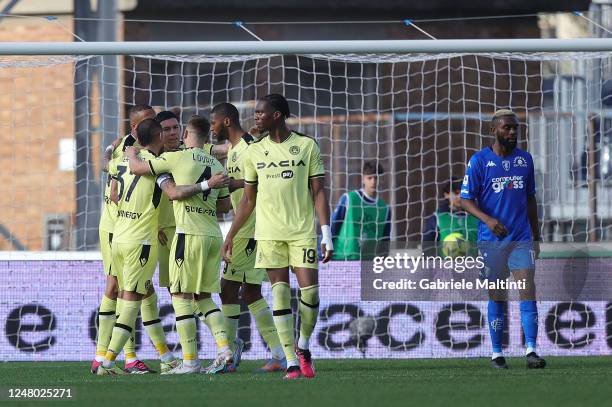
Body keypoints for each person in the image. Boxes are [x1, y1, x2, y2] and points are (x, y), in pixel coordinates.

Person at [222, 93, 333, 380]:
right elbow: (248, 200)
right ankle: (291, 362)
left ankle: (303, 346)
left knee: (311, 294)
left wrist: (326, 233)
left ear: (278, 115)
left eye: (261, 112)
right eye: (256, 112)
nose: (256, 116)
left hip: (301, 233)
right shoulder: (255, 152)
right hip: (269, 234)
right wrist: (231, 235)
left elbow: (318, 191)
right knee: (280, 293)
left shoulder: (306, 146)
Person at [126, 115, 233, 375]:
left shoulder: (176, 158)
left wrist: (130, 150)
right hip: (212, 235)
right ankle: (224, 348)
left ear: (185, 133)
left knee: (181, 298)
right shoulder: (216, 164)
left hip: (188, 234)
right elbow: (225, 205)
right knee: (204, 298)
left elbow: (137, 168)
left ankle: (190, 362)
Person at [93, 105, 178, 374]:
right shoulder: (148, 161)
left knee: (143, 292)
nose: (163, 129)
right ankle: (110, 358)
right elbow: (171, 191)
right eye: (153, 123)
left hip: (126, 231)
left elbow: (108, 170)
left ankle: (162, 356)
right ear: (137, 129)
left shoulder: (124, 156)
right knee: (119, 290)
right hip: (124, 231)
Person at [460, 109, 546, 370]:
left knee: (527, 289)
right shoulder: (479, 162)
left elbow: (530, 199)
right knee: (497, 296)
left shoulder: (525, 161)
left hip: (521, 238)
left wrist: (536, 235)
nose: (512, 132)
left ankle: (531, 350)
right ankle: (497, 353)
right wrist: (487, 219)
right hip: (491, 242)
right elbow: (465, 200)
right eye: (507, 128)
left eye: (515, 128)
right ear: (493, 130)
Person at [210, 102, 285, 373]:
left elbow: (264, 179)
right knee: (249, 291)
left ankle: (229, 352)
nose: (212, 127)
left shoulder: (249, 148)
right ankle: (277, 352)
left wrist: (235, 184)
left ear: (227, 121)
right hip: (245, 225)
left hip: (250, 227)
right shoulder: (234, 150)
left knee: (228, 288)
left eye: (214, 122)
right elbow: (239, 194)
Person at [331, 161, 391, 260]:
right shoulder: (350, 199)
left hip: (368, 264)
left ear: (382, 180)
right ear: (363, 179)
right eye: (369, 178)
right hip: (341, 260)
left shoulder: (385, 209)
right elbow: (333, 226)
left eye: (376, 178)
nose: (373, 182)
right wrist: (322, 254)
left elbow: (385, 242)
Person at [422, 177, 478, 257]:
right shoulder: (437, 218)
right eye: (456, 193)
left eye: (463, 193)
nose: (460, 197)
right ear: (446, 195)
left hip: (473, 265)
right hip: (446, 267)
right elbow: (427, 246)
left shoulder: (478, 216)